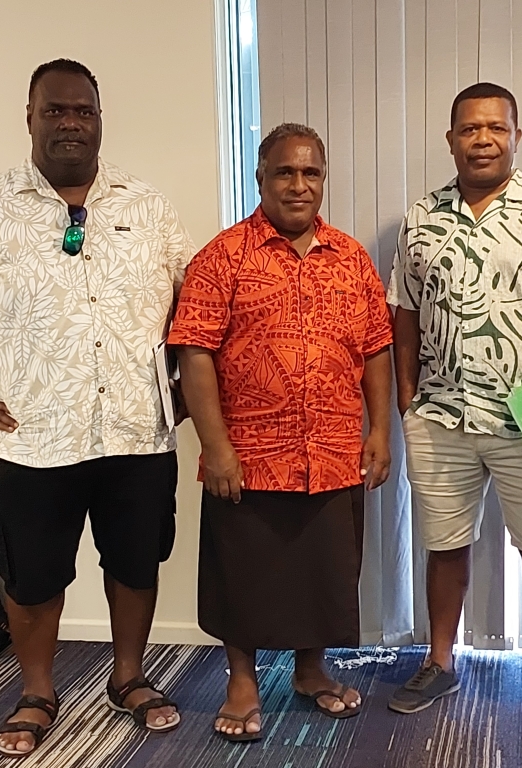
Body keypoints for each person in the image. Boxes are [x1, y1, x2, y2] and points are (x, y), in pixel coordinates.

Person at [0, 59, 195, 757]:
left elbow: (190, 299)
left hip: (136, 434)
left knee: (135, 564)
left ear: (100, 119)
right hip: (33, 439)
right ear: (30, 118)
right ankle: (37, 690)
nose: (70, 122)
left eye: (82, 111)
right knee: (32, 577)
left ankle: (129, 677)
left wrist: (179, 387)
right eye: (55, 110)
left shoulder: (146, 205)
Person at [168, 122, 393, 742]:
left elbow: (376, 348)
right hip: (248, 455)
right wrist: (215, 448)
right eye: (285, 172)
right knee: (243, 572)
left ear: (323, 178)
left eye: (311, 172)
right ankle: (242, 682)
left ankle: (311, 671)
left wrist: (379, 432)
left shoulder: (350, 257)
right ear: (261, 178)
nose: (299, 185)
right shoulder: (223, 257)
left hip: (331, 448)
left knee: (324, 570)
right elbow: (195, 354)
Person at [386, 82, 522, 735]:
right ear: (450, 138)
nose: (482, 139)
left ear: (516, 135)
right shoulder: (422, 217)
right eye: (469, 129)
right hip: (441, 414)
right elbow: (404, 315)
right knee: (444, 545)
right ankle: (440, 659)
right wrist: (405, 400)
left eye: (495, 128)